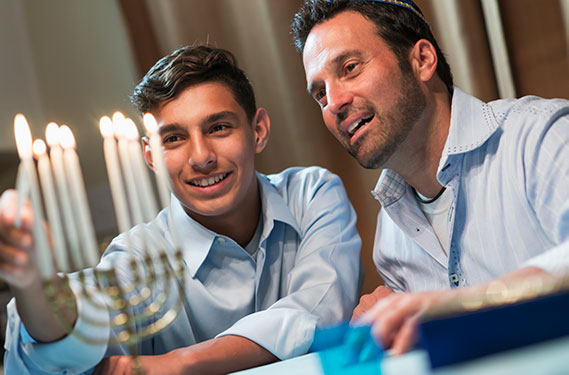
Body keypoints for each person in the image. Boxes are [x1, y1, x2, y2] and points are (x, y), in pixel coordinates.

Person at [1, 45, 362, 374]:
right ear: (150, 157)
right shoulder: (141, 257)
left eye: (219, 127)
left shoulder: (311, 194)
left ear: (258, 130)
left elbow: (321, 307)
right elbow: (80, 325)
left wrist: (182, 363)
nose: (201, 157)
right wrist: (35, 283)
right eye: (173, 139)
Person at [291, 0, 569, 355]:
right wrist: (390, 326)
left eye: (350, 68)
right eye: (320, 94)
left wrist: (461, 308)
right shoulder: (390, 239)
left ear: (422, 60)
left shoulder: (538, 136)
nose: (333, 102)